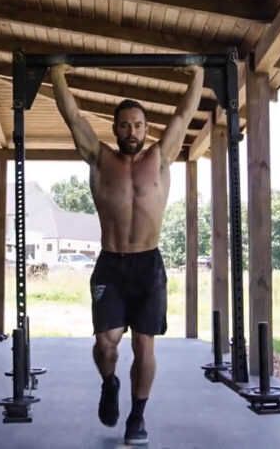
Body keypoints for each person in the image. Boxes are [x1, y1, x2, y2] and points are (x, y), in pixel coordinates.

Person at [51, 63, 204, 445]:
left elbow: (184, 113)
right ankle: (109, 382)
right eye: (124, 125)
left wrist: (198, 72)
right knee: (107, 342)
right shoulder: (100, 159)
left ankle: (137, 417)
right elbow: (72, 116)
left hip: (148, 264)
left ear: (145, 129)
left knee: (144, 344)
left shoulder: (161, 157)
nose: (131, 132)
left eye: (137, 125)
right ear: (115, 128)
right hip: (111, 263)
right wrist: (56, 72)